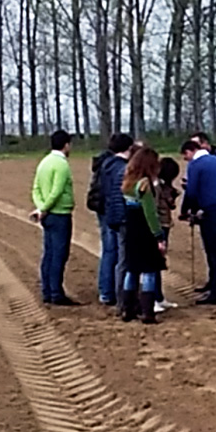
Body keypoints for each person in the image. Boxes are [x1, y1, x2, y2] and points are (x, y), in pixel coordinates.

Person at [27, 129, 81, 306]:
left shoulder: (44, 162)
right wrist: (44, 208)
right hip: (59, 214)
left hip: (48, 215)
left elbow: (36, 189)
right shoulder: (62, 165)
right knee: (59, 254)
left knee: (49, 253)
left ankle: (47, 291)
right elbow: (56, 191)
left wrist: (41, 208)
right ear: (66, 145)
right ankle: (56, 292)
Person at [118, 146, 167, 324]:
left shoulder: (128, 184)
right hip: (145, 232)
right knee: (149, 272)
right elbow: (150, 213)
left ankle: (127, 308)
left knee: (131, 270)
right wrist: (158, 235)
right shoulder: (145, 185)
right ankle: (147, 311)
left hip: (131, 231)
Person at [181, 136, 216, 303]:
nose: (186, 159)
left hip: (209, 210)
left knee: (214, 250)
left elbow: (192, 191)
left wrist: (186, 210)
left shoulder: (196, 165)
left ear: (190, 151)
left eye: (185, 155)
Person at [91, 131, 132, 307]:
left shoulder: (104, 164)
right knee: (119, 254)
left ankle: (106, 291)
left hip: (104, 210)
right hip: (116, 211)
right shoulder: (121, 168)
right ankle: (117, 292)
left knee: (109, 251)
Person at [153, 155, 182, 312]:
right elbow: (155, 207)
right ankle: (153, 298)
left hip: (164, 225)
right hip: (159, 226)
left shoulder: (163, 186)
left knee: (159, 262)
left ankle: (159, 297)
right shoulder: (156, 186)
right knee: (155, 262)